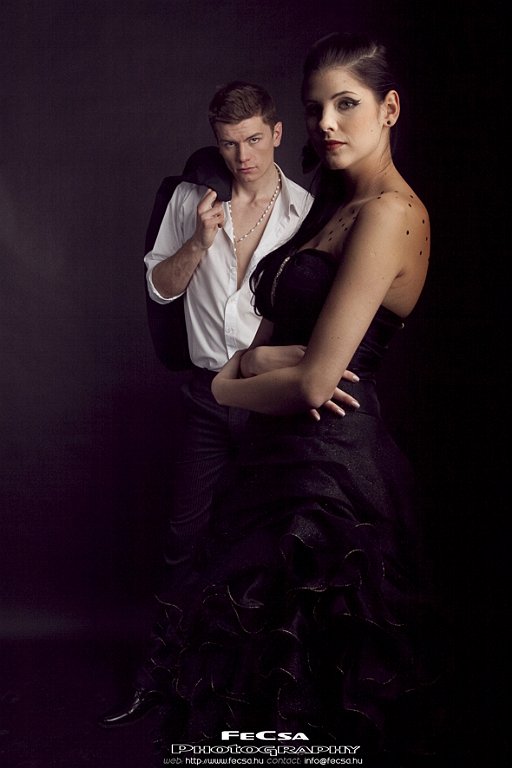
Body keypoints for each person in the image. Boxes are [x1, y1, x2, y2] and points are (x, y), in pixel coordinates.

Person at [150, 32, 443, 763]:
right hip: (281, 450)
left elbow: (319, 380)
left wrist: (229, 378)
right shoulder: (340, 201)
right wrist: (257, 355)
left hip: (331, 465)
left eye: (347, 105)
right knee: (257, 673)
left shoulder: (388, 212)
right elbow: (294, 340)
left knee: (312, 684)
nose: (328, 124)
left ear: (390, 108)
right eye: (317, 109)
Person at [99, 81, 360, 728]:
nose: (243, 156)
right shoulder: (191, 199)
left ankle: (255, 688)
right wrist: (197, 241)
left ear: (276, 133)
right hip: (206, 396)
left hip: (275, 398)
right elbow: (160, 289)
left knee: (270, 546)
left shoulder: (308, 211)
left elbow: (317, 313)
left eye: (253, 140)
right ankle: (158, 679)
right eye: (227, 144)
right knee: (183, 541)